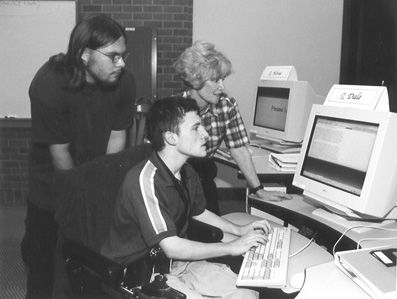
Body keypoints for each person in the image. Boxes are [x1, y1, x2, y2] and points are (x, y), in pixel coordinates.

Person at [101, 96, 271, 298]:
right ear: (171, 138)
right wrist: (231, 247)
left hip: (177, 265)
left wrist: (238, 230)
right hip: (139, 275)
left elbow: (198, 211)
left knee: (247, 294)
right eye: (196, 128)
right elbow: (172, 247)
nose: (206, 134)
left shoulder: (187, 171)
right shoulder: (144, 180)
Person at [21, 14, 136, 299]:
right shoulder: (49, 83)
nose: (121, 63)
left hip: (93, 178)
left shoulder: (124, 81)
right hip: (50, 186)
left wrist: (103, 188)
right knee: (43, 271)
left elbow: (117, 136)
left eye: (123, 55)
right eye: (113, 56)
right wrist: (79, 200)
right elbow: (61, 156)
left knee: (92, 269)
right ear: (84, 54)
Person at [173, 40, 292, 215]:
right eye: (215, 80)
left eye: (223, 79)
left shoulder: (226, 106)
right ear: (195, 80)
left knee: (213, 233)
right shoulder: (174, 110)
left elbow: (239, 149)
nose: (222, 87)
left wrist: (259, 189)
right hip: (174, 182)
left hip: (203, 179)